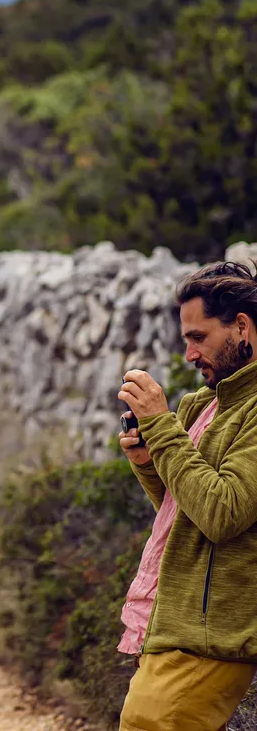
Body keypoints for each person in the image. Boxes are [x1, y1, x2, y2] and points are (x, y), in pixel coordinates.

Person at [116, 260, 257, 731]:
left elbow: (222, 513)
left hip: (217, 628)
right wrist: (147, 464)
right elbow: (184, 515)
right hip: (181, 616)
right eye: (186, 340)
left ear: (241, 327)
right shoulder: (205, 403)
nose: (189, 354)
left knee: (147, 722)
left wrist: (161, 425)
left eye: (199, 338)